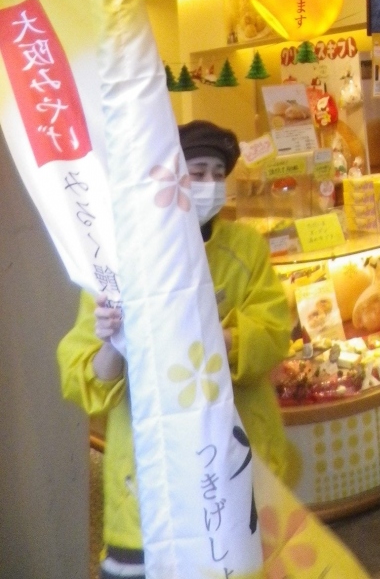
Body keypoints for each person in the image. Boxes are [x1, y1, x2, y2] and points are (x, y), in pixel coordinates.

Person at [58, 120, 299, 579]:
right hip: (151, 478)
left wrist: (208, 334)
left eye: (217, 174)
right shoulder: (120, 259)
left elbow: (272, 334)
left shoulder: (244, 248)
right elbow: (81, 379)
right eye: (196, 172)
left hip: (235, 462)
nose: (208, 184)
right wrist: (113, 342)